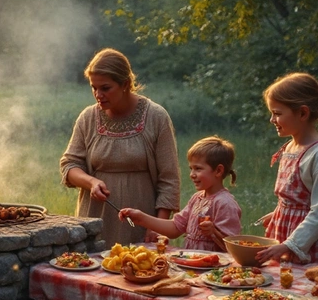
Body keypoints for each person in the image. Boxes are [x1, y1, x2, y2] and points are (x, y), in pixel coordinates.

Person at [59, 48, 180, 248]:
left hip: (142, 219)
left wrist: (158, 226)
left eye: (105, 88)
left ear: (125, 84)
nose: (98, 95)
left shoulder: (157, 117)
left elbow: (169, 179)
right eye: (93, 87)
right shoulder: (88, 118)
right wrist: (91, 182)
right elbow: (69, 166)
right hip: (95, 217)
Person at [118, 136, 242, 251]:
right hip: (191, 264)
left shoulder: (225, 203)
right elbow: (175, 228)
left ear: (218, 170)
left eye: (198, 169)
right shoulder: (197, 198)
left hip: (213, 270)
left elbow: (234, 248)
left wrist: (213, 232)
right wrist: (141, 218)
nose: (192, 174)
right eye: (191, 168)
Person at [255, 73, 318, 264]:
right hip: (283, 233)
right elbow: (295, 199)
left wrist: (290, 245)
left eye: (277, 113)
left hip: (304, 243)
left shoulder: (315, 155)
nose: (272, 119)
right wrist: (279, 213)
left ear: (302, 113)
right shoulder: (290, 147)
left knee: (302, 290)